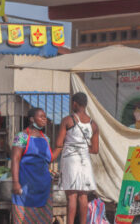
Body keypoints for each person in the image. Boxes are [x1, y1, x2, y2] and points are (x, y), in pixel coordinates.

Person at [53, 92, 99, 224]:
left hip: (70, 160)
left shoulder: (68, 120)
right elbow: (95, 150)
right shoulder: (93, 125)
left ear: (74, 103)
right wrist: (82, 148)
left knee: (72, 197)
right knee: (83, 196)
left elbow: (59, 144)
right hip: (85, 161)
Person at [11, 107, 54, 223]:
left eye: (45, 117)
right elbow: (15, 159)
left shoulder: (46, 138)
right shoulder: (22, 137)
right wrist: (15, 182)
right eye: (41, 116)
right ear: (31, 119)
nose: (44, 119)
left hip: (43, 187)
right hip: (25, 186)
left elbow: (47, 160)